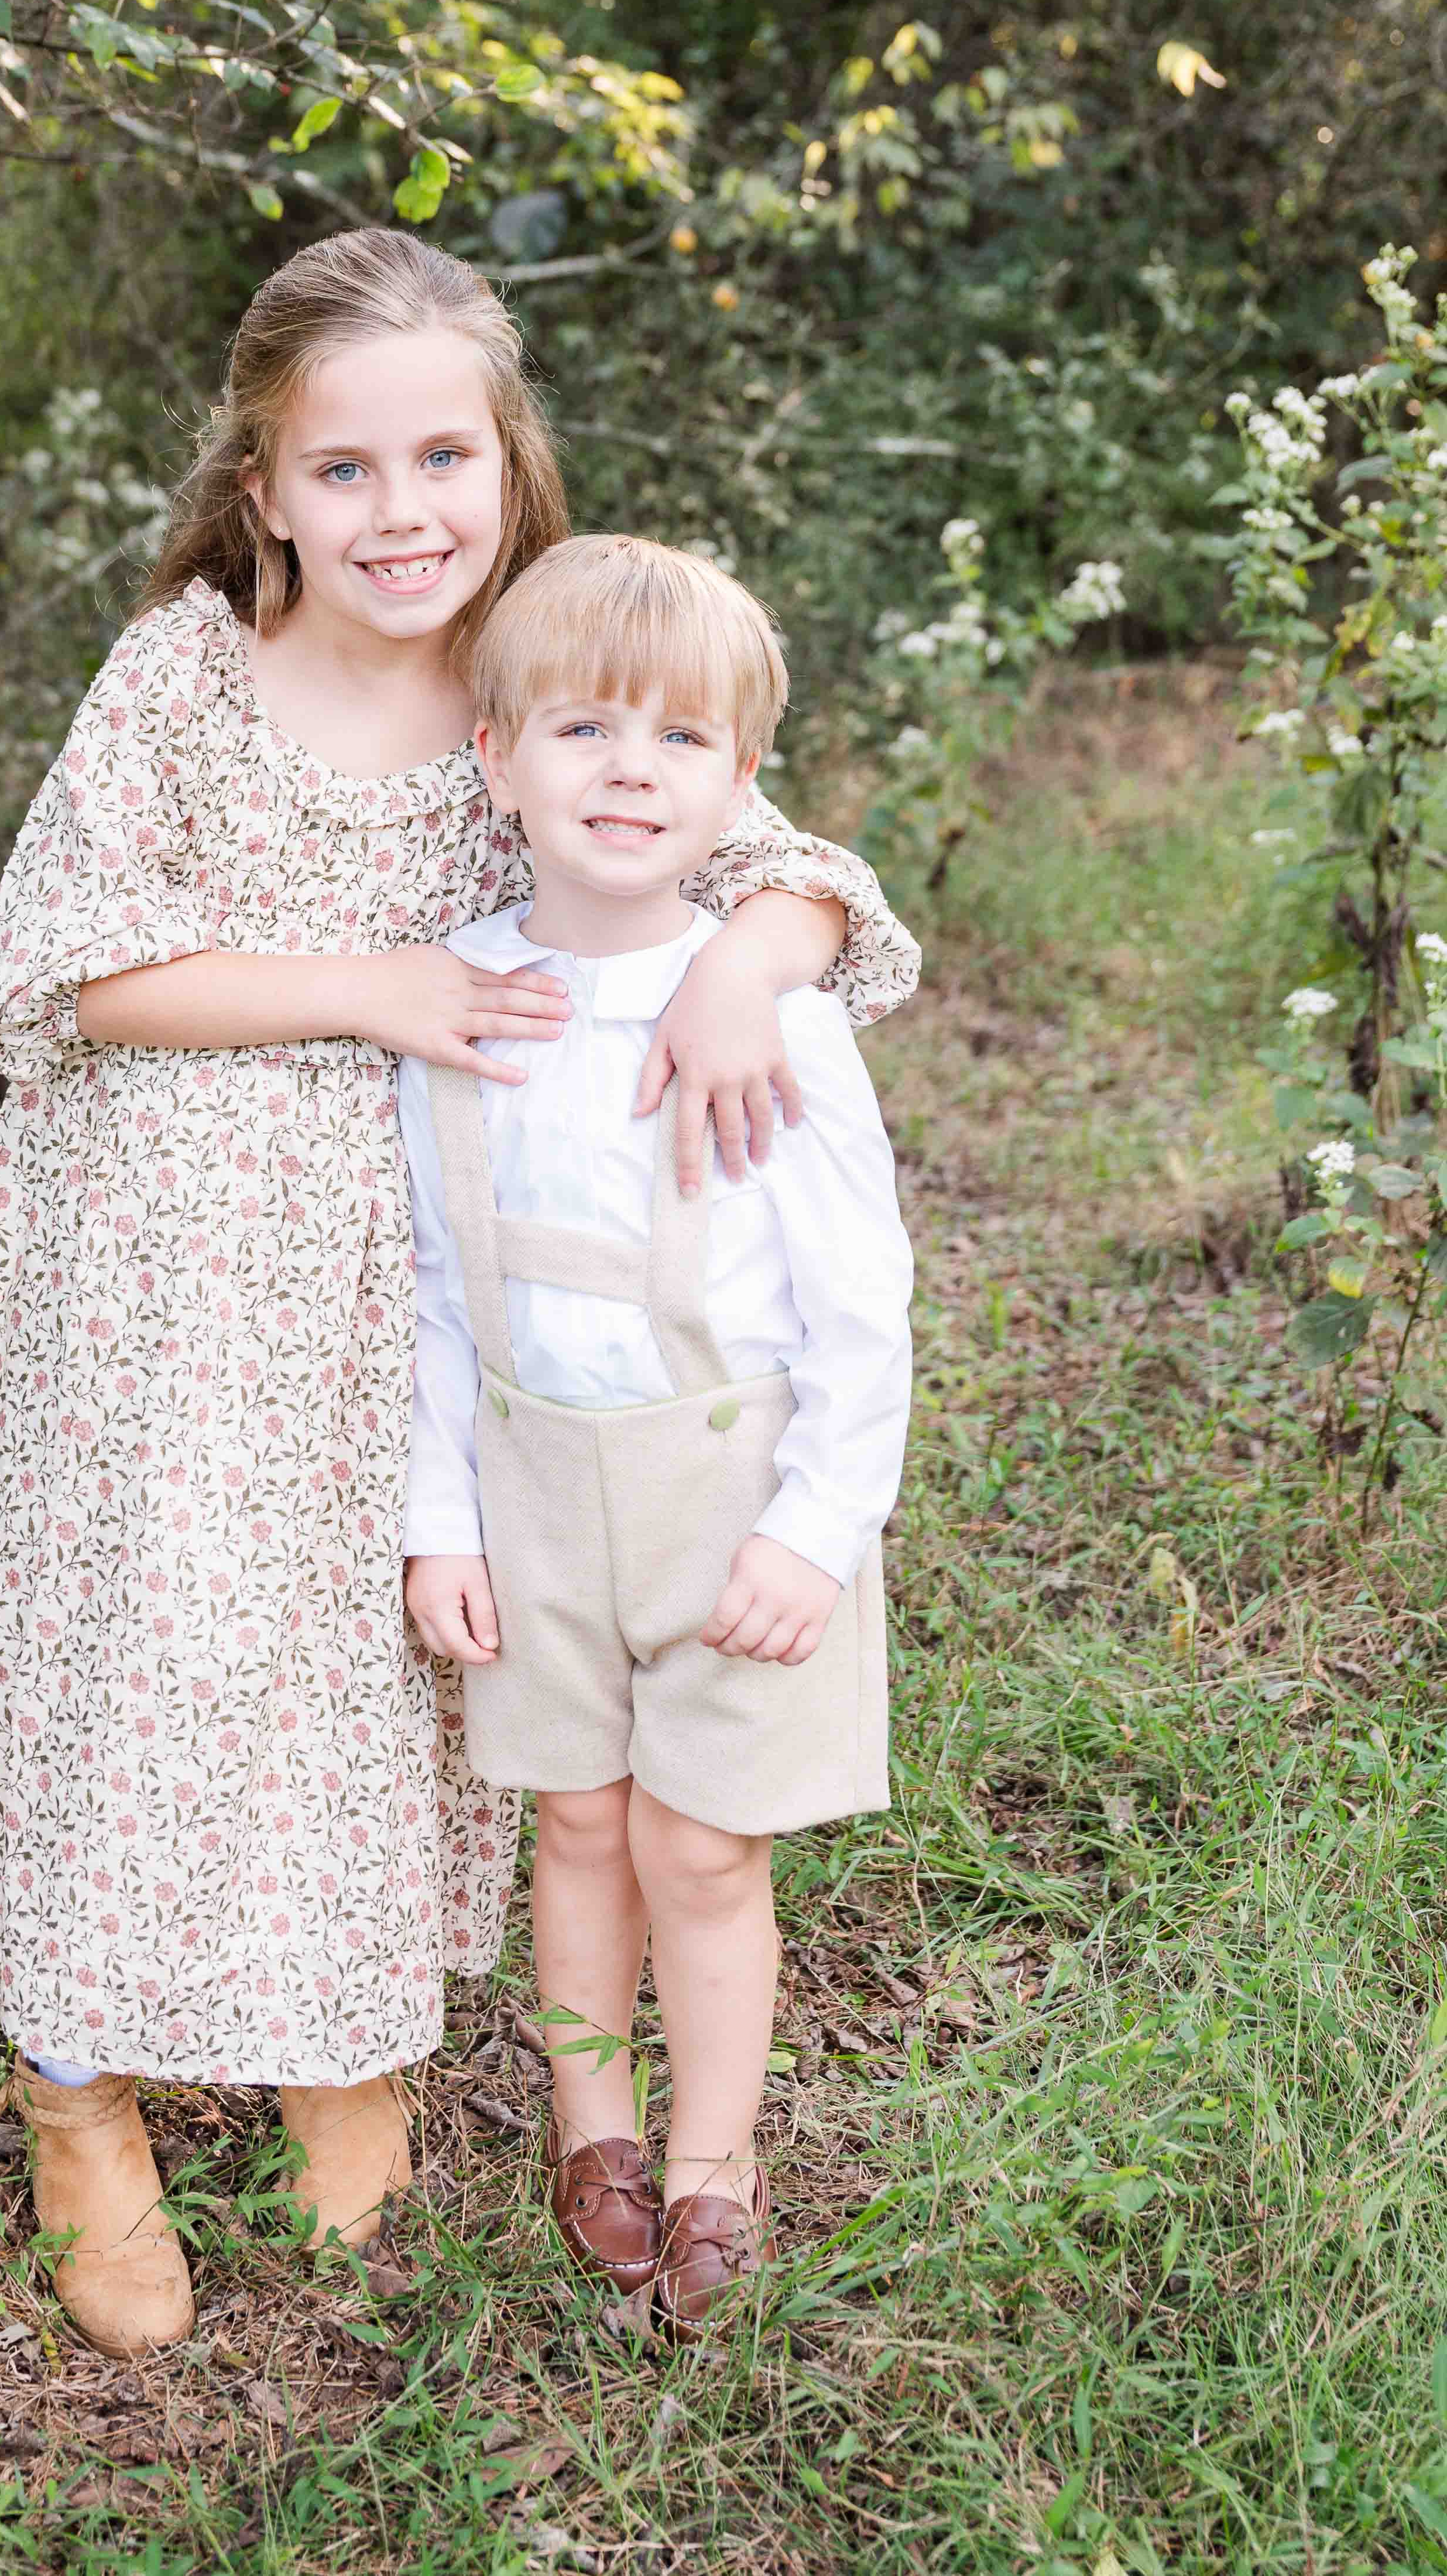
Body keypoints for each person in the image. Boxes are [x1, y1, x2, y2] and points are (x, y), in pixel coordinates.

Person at [0, 232, 919, 2358]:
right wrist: (378, 987)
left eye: (444, 452)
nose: (400, 510)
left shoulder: (542, 675)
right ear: (262, 490)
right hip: (164, 1269)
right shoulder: (185, 671)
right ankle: (83, 2085)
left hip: (425, 1288)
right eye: (342, 470)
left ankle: (336, 2036)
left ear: (509, 458)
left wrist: (750, 947)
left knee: (366, 1679)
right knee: (158, 1650)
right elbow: (45, 974)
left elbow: (787, 860)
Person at [399, 533, 913, 2343]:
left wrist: (818, 1523)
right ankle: (589, 2122)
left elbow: (864, 1304)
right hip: (534, 1477)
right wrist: (438, 1518)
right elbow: (435, 1296)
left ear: (740, 786)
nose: (632, 766)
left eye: (683, 738)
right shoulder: (449, 995)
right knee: (580, 1821)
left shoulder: (770, 1005)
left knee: (704, 1845)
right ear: (496, 757)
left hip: (730, 1480)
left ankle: (713, 2154)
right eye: (588, 726)